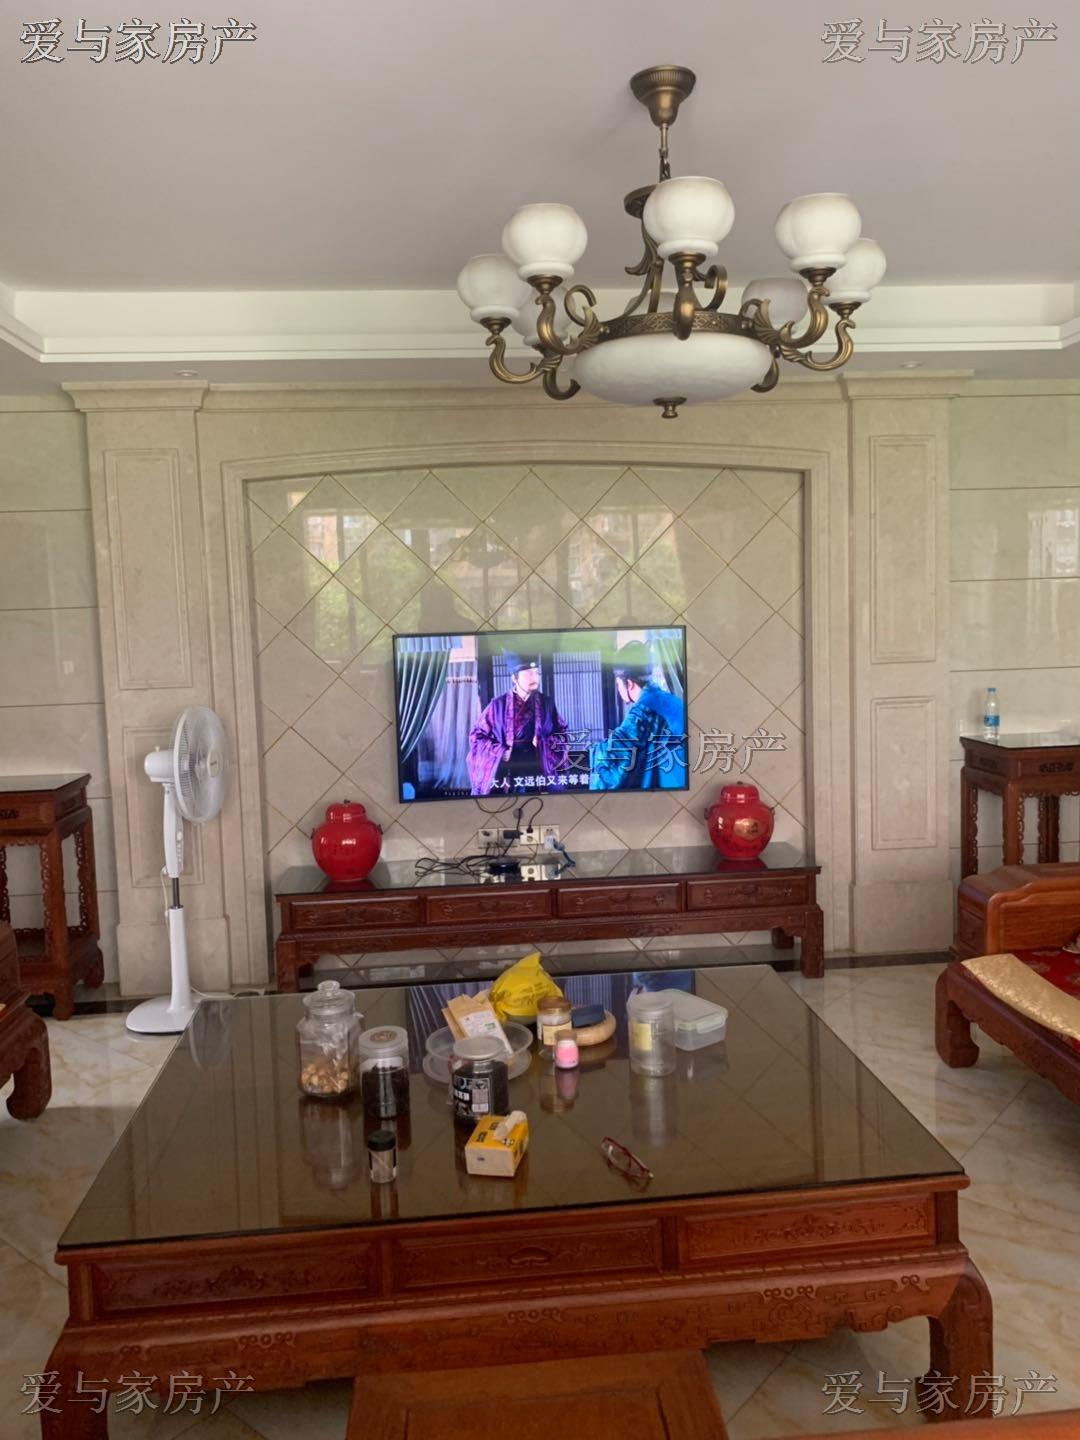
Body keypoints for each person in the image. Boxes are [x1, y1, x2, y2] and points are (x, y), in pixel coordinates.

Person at [467, 652, 570, 796]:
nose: (534, 677)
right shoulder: (497, 705)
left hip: (538, 766)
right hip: (507, 768)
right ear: (515, 678)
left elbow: (562, 734)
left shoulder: (547, 704)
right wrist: (499, 751)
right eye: (528, 673)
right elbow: (477, 736)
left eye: (536, 672)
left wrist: (544, 743)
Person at [590, 641, 686, 791]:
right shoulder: (675, 701)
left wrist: (594, 750)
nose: (618, 689)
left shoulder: (643, 713)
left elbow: (612, 758)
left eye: (618, 684)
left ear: (629, 684)